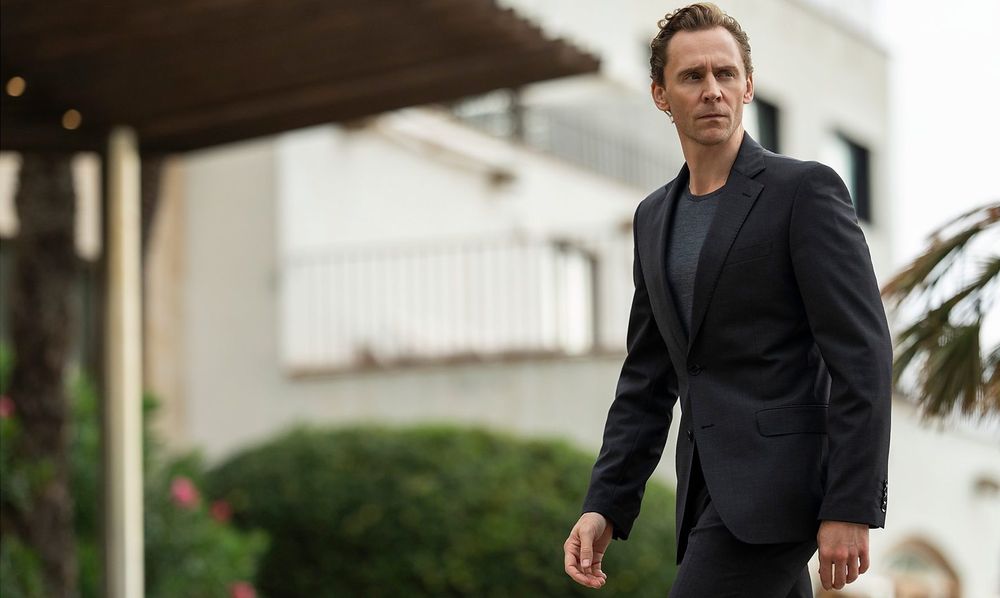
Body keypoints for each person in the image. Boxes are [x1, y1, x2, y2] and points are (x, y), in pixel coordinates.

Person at [562, 3, 892, 596]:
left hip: (785, 488)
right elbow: (647, 378)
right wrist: (606, 502)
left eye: (726, 73)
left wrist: (851, 502)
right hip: (706, 492)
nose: (712, 90)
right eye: (692, 76)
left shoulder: (804, 191)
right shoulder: (653, 218)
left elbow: (861, 355)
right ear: (661, 95)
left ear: (748, 85)